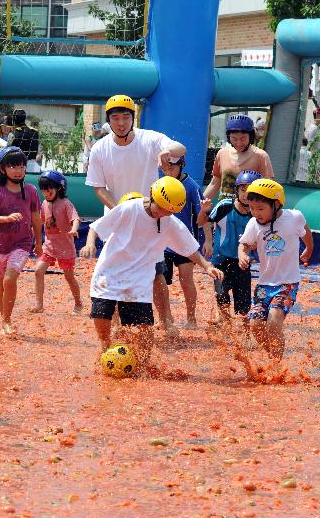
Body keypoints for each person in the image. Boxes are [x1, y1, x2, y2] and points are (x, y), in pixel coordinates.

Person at [84, 177, 223, 370]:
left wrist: (207, 266)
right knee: (102, 314)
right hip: (110, 272)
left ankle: (144, 365)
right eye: (162, 208)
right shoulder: (129, 208)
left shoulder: (169, 221)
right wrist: (90, 243)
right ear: (152, 196)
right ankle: (105, 348)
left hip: (140, 278)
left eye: (170, 211)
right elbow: (96, 227)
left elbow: (189, 248)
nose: (164, 213)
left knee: (145, 326)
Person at [84, 94, 187, 337]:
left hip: (151, 215)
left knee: (155, 272)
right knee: (116, 274)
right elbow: (98, 187)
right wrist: (119, 209)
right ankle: (120, 325)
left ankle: (167, 321)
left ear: (133, 118)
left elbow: (180, 148)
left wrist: (166, 151)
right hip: (118, 218)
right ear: (109, 120)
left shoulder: (149, 139)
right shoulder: (100, 148)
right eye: (116, 118)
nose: (121, 123)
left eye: (126, 117)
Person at [238, 179, 313, 363]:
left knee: (273, 321)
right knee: (255, 324)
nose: (256, 213)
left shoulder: (293, 217)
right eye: (252, 208)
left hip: (287, 283)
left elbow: (306, 232)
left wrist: (308, 250)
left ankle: (276, 365)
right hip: (264, 283)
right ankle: (272, 355)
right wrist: (242, 255)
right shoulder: (253, 224)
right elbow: (244, 244)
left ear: (276, 204)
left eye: (261, 208)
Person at [0, 146, 41, 335]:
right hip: (0, 244)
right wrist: (5, 219)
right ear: (2, 169)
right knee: (1, 284)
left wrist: (39, 242)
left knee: (10, 279)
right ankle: (3, 320)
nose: (18, 171)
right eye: (14, 167)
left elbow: (36, 219)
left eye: (22, 167)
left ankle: (7, 321)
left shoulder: (31, 190)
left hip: (22, 244)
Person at [199, 169, 259, 327]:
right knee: (221, 294)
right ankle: (226, 327)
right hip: (221, 260)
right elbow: (203, 221)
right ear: (236, 190)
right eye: (243, 189)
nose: (246, 194)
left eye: (250, 190)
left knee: (243, 303)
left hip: (242, 262)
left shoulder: (258, 214)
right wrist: (207, 240)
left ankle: (244, 336)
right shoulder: (225, 206)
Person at [160, 155, 203, 329]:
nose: (168, 172)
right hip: (164, 243)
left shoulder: (191, 186)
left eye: (172, 168)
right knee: (160, 281)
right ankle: (166, 318)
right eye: (165, 169)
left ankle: (191, 318)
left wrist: (207, 240)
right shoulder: (160, 185)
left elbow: (202, 216)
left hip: (185, 241)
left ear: (181, 165)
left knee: (186, 279)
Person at [32, 169, 83, 314]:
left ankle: (78, 303)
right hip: (50, 247)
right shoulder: (44, 204)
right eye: (43, 191)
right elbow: (40, 221)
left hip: (66, 248)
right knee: (38, 271)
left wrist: (74, 229)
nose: (46, 194)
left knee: (69, 277)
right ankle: (39, 305)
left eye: (49, 190)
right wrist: (33, 237)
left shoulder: (66, 203)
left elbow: (75, 218)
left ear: (59, 188)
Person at [203, 114, 274, 201]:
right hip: (224, 210)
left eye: (243, 139)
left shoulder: (261, 156)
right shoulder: (222, 153)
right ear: (229, 137)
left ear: (250, 136)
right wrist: (199, 203)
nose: (239, 143)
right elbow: (214, 184)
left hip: (249, 212)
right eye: (234, 138)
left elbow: (268, 188)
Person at [10, 109, 41, 173]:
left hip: (17, 164)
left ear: (14, 120)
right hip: (32, 164)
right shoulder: (34, 132)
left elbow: (8, 150)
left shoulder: (14, 133)